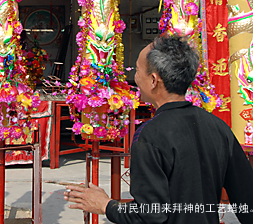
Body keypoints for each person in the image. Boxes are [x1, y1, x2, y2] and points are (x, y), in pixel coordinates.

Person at [64, 35, 253, 223]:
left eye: (138, 71)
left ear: (154, 80)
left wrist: (106, 205)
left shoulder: (149, 137)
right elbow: (247, 199)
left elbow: (149, 216)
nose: (135, 78)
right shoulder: (218, 127)